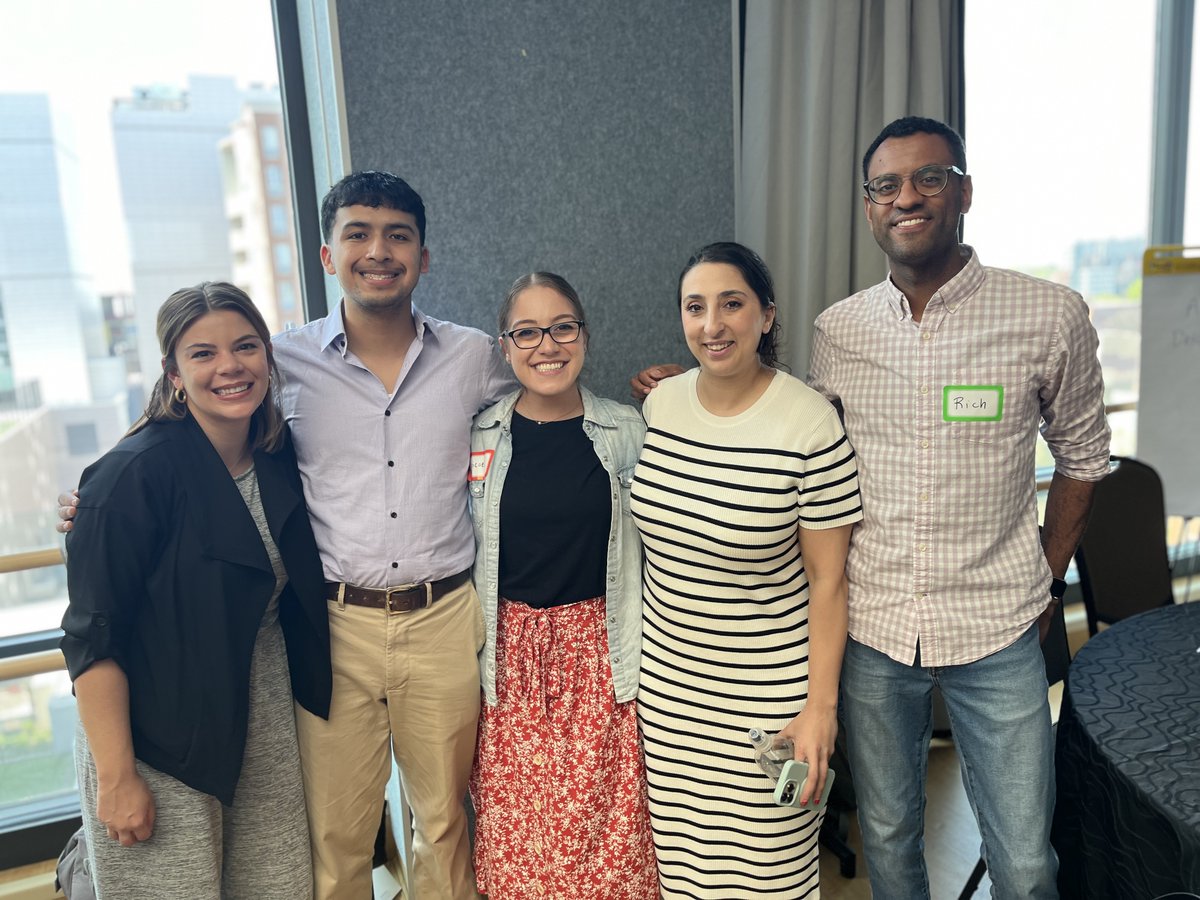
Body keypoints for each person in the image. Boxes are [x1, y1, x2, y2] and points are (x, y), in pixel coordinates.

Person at [60, 172, 514, 900]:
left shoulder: (473, 357)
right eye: (357, 234)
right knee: (335, 839)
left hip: (443, 619)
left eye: (398, 236)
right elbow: (195, 409)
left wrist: (663, 391)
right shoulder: (285, 360)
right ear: (329, 256)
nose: (379, 251)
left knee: (444, 826)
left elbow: (551, 373)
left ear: (424, 258)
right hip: (330, 625)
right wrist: (99, 488)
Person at [806, 117, 1111, 898]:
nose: (906, 197)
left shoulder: (1050, 315)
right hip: (874, 626)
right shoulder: (837, 332)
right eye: (886, 186)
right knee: (888, 837)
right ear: (869, 206)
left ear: (965, 191)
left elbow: (1082, 458)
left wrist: (1044, 579)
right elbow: (805, 457)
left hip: (998, 626)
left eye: (929, 177)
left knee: (1024, 860)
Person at [61, 282, 331, 899]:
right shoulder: (131, 476)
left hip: (263, 731)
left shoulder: (278, 454)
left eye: (245, 347)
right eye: (203, 353)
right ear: (173, 373)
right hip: (158, 741)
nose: (229, 366)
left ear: (268, 356)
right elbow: (92, 639)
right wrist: (117, 775)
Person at [630, 242, 862, 898]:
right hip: (670, 701)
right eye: (695, 307)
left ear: (766, 316)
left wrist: (821, 709)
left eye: (731, 304)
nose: (712, 325)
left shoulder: (809, 423)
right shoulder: (661, 407)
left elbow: (829, 582)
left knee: (769, 879)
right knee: (684, 878)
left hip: (768, 702)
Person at [467, 273, 657, 899]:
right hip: (508, 661)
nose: (546, 345)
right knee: (516, 847)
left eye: (562, 327)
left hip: (601, 656)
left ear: (584, 335)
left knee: (609, 845)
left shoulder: (629, 430)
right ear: (505, 345)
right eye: (527, 331)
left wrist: (687, 387)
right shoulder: (477, 434)